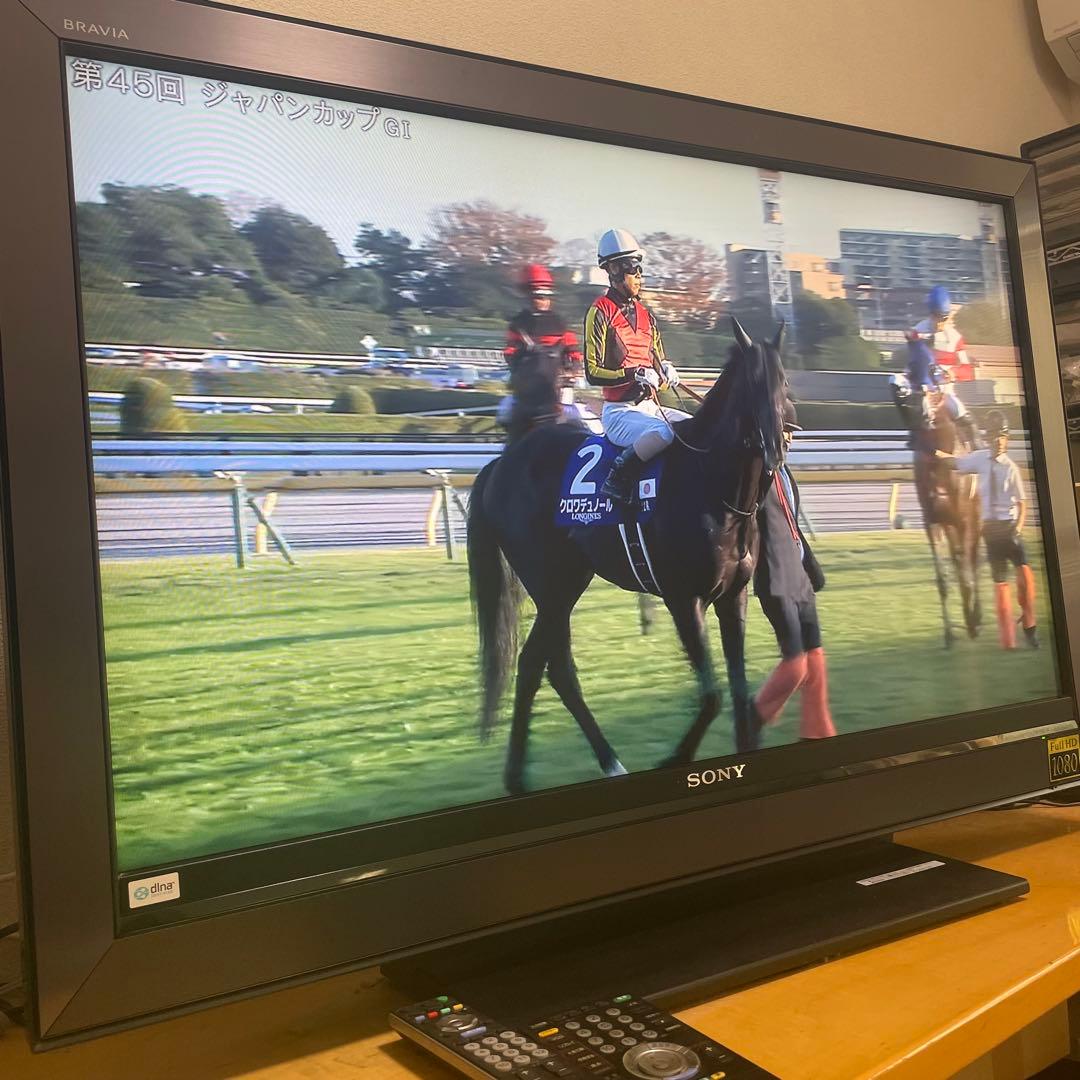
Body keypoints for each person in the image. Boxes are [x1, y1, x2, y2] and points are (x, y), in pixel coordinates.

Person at [751, 398, 837, 741]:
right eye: (784, 430)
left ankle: (817, 736)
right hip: (774, 579)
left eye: (791, 432)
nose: (788, 438)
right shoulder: (753, 475)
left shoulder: (785, 474)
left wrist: (810, 564)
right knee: (796, 663)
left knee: (816, 660)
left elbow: (793, 525)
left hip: (798, 578)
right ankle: (751, 718)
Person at [583, 229, 686, 505]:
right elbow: (592, 372)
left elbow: (658, 364)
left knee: (694, 428)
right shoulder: (600, 311)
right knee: (663, 432)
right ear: (614, 270)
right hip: (619, 413)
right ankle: (617, 477)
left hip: (650, 409)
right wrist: (634, 374)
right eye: (632, 268)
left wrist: (666, 371)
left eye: (640, 268)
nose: (639, 275)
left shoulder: (647, 316)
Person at [942, 410, 1038, 650]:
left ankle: (1030, 628)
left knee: (1025, 581)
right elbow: (955, 463)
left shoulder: (1011, 468)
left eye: (1003, 436)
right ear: (988, 438)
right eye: (995, 436)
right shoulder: (979, 459)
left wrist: (1018, 528)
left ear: (1007, 439)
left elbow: (1022, 503)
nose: (999, 441)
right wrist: (930, 451)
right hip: (991, 531)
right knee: (1000, 582)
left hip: (1009, 528)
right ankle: (1008, 639)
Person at [498, 264, 583, 430]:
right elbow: (510, 353)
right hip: (527, 389)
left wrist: (572, 370)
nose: (543, 302)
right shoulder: (518, 324)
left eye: (545, 297)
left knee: (576, 419)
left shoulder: (560, 324)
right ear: (529, 298)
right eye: (538, 297)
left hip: (557, 387)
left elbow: (574, 353)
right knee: (506, 414)